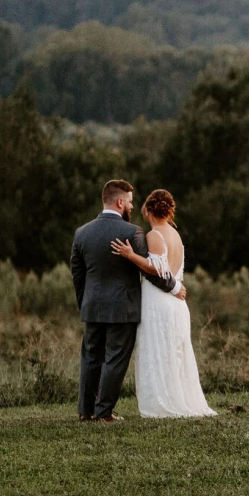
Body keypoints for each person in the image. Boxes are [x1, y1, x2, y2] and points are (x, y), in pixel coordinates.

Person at [70, 179, 184, 422]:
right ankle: (103, 413)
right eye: (130, 202)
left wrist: (85, 303)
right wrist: (174, 286)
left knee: (91, 357)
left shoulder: (82, 233)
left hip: (92, 307)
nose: (132, 207)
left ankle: (85, 411)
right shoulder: (132, 232)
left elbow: (77, 275)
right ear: (120, 202)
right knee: (115, 359)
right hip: (123, 308)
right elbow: (150, 270)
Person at [110, 188, 216, 418]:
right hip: (176, 303)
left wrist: (130, 255)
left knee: (159, 351)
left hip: (159, 302)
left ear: (148, 211)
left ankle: (164, 404)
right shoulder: (175, 234)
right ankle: (178, 398)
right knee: (174, 353)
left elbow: (157, 269)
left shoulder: (154, 235)